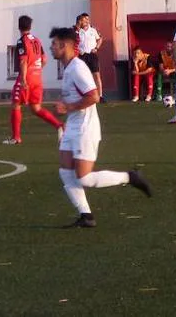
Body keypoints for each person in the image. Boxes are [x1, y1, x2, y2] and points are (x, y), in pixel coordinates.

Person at [52, 26, 151, 228]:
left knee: (84, 178)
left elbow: (94, 96)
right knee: (65, 172)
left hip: (85, 129)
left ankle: (130, 177)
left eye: (54, 44)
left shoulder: (78, 68)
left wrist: (68, 107)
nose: (51, 47)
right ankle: (86, 216)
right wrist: (65, 121)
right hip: (73, 126)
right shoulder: (69, 68)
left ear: (64, 45)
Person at [3, 15, 63, 145]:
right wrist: (36, 69)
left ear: (18, 27)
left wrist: (24, 78)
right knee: (36, 108)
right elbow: (44, 59)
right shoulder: (37, 40)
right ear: (30, 26)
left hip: (27, 78)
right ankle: (60, 125)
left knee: (16, 104)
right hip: (37, 77)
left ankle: (16, 137)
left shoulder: (21, 41)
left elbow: (23, 61)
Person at [75, 13, 104, 102]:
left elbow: (100, 38)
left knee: (96, 75)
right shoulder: (77, 31)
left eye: (87, 19)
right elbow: (72, 42)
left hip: (92, 55)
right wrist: (77, 50)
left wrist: (96, 48)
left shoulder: (93, 30)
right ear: (80, 21)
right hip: (82, 55)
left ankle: (100, 96)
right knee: (82, 76)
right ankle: (83, 96)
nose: (87, 21)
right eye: (84, 19)